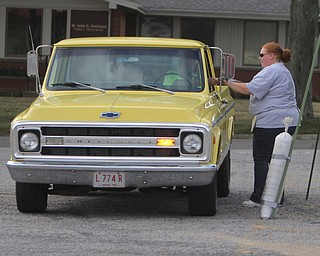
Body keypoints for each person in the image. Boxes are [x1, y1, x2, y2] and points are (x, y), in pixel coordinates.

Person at [210, 42, 300, 207]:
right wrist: (226, 81)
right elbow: (251, 86)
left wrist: (225, 83)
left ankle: (257, 197)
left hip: (271, 122)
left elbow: (249, 89)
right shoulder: (282, 71)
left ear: (271, 56)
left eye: (261, 55)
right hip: (289, 120)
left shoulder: (271, 71)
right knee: (278, 159)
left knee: (261, 159)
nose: (259, 59)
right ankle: (278, 197)